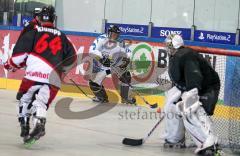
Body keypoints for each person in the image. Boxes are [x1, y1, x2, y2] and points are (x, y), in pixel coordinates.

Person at [4, 5, 76, 145]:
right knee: (41, 102)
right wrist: (63, 70)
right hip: (54, 76)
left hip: (33, 74)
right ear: (54, 19)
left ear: (39, 18)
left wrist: (10, 65)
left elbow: (20, 55)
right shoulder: (62, 36)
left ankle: (25, 126)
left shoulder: (33, 31)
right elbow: (72, 58)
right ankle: (39, 123)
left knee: (24, 99)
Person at [162, 34, 221, 155]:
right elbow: (181, 77)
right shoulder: (175, 55)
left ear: (174, 45)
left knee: (189, 110)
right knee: (170, 106)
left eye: (168, 45)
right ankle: (174, 139)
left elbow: (194, 75)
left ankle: (208, 142)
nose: (166, 47)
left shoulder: (185, 55)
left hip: (205, 88)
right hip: (189, 87)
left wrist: (191, 95)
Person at [88, 25, 136, 104]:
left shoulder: (119, 42)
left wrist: (126, 61)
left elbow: (129, 52)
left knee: (126, 75)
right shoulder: (101, 39)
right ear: (109, 33)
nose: (115, 37)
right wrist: (101, 58)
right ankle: (101, 97)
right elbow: (92, 50)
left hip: (114, 66)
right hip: (103, 67)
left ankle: (126, 97)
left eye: (117, 35)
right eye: (113, 34)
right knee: (93, 82)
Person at [16, 7, 42, 100]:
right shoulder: (32, 25)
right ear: (36, 16)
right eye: (40, 16)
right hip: (28, 52)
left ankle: (24, 92)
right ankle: (21, 92)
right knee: (30, 72)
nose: (42, 17)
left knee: (33, 72)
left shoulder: (38, 25)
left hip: (33, 53)